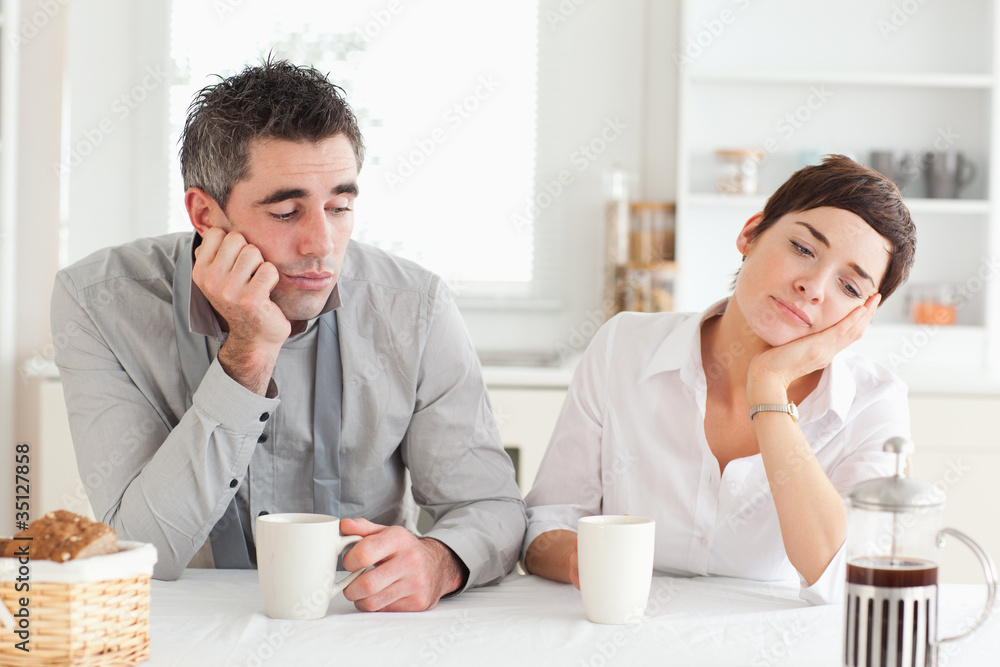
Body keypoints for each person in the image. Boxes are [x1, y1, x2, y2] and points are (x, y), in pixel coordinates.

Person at [50, 59, 526, 612]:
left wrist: (440, 559)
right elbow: (142, 550)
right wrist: (249, 353)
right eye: (285, 211)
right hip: (185, 626)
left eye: (339, 207)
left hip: (360, 621)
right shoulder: (100, 302)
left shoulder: (413, 306)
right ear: (205, 214)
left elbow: (491, 507)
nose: (321, 243)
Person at [522, 155, 916, 604]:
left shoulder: (874, 402)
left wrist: (768, 384)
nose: (813, 287)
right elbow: (547, 523)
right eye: (803, 249)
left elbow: (844, 576)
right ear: (751, 233)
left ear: (863, 314)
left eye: (849, 287)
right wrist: (588, 562)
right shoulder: (623, 347)